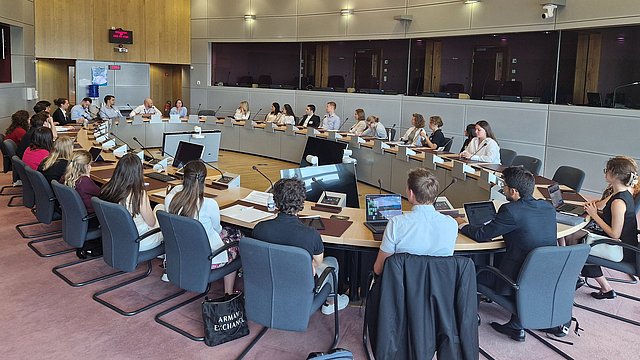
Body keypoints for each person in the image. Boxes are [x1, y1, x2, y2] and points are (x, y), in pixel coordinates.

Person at [456, 166, 557, 341]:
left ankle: (471, 316)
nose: (502, 189)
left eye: (504, 185)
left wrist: (462, 224)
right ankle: (516, 323)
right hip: (543, 273)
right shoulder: (547, 207)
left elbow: (481, 235)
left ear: (514, 191)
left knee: (472, 270)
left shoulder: (510, 210)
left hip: (514, 278)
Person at [252, 178, 350, 315]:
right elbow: (317, 263)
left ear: (275, 201)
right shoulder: (311, 234)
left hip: (269, 282)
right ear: (302, 202)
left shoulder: (259, 228)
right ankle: (331, 303)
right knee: (332, 262)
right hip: (298, 285)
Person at [165, 160, 242, 294]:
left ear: (183, 178)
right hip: (206, 259)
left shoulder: (170, 199)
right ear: (204, 180)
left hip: (179, 254)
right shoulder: (209, 204)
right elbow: (217, 230)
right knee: (238, 238)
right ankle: (228, 293)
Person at [373, 168, 457, 275]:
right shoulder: (451, 224)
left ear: (411, 193)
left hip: (401, 289)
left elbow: (379, 269)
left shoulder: (397, 223)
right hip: (438, 290)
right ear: (434, 195)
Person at [580, 156, 639, 300]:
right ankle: (575, 273)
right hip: (625, 243)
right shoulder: (622, 191)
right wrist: (593, 208)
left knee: (577, 244)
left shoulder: (619, 202)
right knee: (574, 235)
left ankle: (606, 288)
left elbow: (614, 234)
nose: (605, 173)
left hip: (621, 249)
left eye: (607, 170)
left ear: (615, 175)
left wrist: (594, 214)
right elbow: (600, 205)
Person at [99, 153, 163, 251]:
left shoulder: (107, 188)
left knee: (159, 207)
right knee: (161, 210)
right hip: (139, 240)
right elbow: (151, 222)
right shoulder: (138, 194)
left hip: (117, 237)